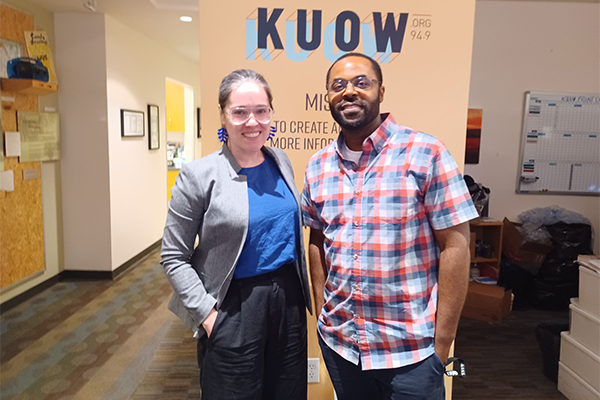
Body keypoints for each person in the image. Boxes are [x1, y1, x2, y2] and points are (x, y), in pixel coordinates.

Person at [301, 53, 478, 399]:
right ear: (328, 97)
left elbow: (455, 247)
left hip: (412, 354)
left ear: (381, 92)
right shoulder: (318, 166)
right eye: (338, 85)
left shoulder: (426, 153)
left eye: (361, 82)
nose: (349, 91)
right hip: (343, 349)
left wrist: (441, 346)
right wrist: (323, 312)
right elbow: (316, 240)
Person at [161, 69, 312, 400]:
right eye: (240, 112)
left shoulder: (279, 161)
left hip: (287, 302)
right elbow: (173, 256)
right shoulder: (199, 175)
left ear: (271, 114)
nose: (252, 121)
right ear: (223, 116)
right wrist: (208, 316)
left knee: (287, 391)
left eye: (261, 110)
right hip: (234, 306)